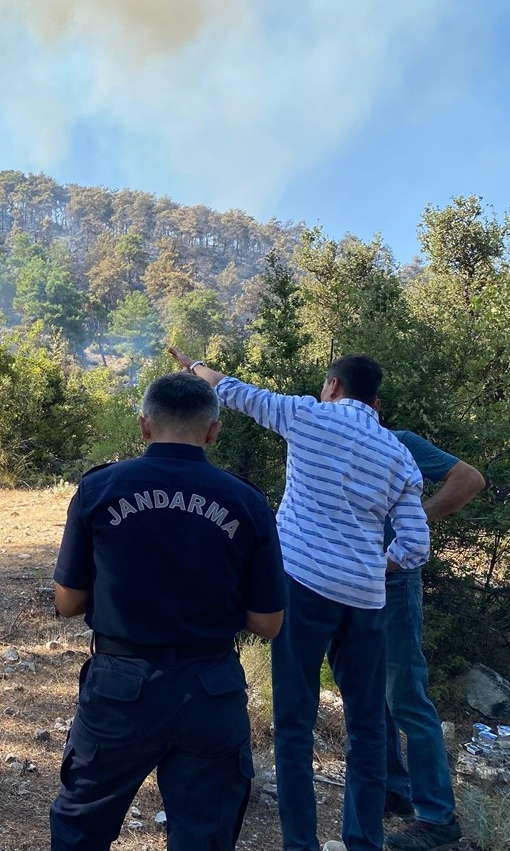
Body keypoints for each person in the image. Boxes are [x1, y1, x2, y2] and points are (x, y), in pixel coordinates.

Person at [168, 348, 430, 851]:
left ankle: (300, 844)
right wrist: (375, 565)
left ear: (332, 385)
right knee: (369, 727)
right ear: (375, 401)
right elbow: (416, 545)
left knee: (293, 725)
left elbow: (235, 392)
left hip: (304, 587)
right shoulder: (398, 453)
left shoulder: (308, 414)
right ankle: (363, 841)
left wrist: (196, 368)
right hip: (366, 600)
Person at [49, 371, 286, 851]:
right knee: (205, 834)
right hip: (211, 689)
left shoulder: (99, 490)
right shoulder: (246, 501)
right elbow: (268, 622)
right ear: (213, 431)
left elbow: (68, 602)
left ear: (144, 426)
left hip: (121, 687)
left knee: (82, 828)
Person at [382, 431, 484, 851]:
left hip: (395, 582)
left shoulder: (398, 440)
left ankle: (438, 817)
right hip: (357, 582)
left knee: (406, 696)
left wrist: (417, 518)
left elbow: (469, 479)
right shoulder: (333, 439)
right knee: (370, 692)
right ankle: (393, 790)